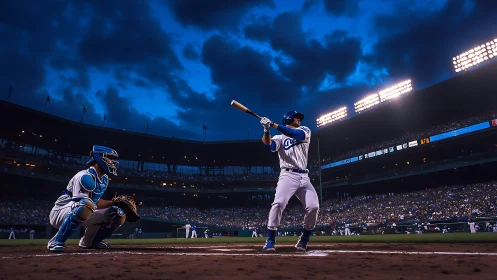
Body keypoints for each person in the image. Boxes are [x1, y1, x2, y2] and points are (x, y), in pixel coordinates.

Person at [260, 110, 319, 252]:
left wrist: (273, 124)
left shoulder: (305, 130)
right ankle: (270, 240)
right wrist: (267, 130)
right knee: (279, 203)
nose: (299, 119)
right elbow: (268, 147)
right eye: (296, 117)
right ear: (288, 119)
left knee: (313, 207)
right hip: (287, 175)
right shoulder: (279, 137)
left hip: (304, 177)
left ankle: (304, 239)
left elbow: (295, 134)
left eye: (299, 117)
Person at [47, 145, 126, 252]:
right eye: (109, 158)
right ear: (99, 158)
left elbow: (95, 203)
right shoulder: (84, 176)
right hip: (60, 212)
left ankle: (90, 241)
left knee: (118, 212)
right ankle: (56, 241)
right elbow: (82, 203)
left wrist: (115, 203)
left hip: (83, 209)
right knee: (85, 205)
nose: (112, 162)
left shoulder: (104, 179)